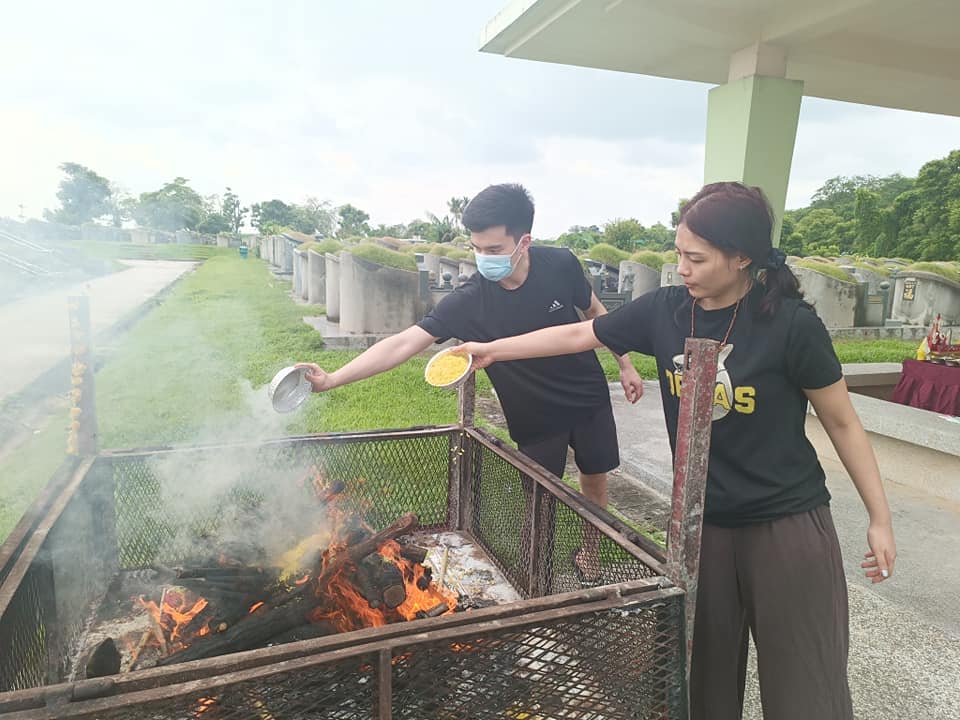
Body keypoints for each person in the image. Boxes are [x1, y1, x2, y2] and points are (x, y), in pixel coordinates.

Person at [456, 181, 897, 720]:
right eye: (677, 254)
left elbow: (843, 423)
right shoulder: (666, 310)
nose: (681, 269)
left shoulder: (790, 325)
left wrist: (879, 516)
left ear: (740, 258)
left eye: (695, 257)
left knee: (806, 683)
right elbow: (577, 335)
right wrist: (489, 351)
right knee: (698, 679)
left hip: (786, 524)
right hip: (699, 525)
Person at [295, 183, 643, 582]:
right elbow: (405, 342)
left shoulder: (561, 264)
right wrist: (333, 378)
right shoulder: (470, 299)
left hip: (587, 395)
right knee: (539, 497)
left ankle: (591, 555)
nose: (483, 259)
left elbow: (594, 312)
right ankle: (537, 571)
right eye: (476, 248)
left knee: (594, 478)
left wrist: (625, 363)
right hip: (532, 410)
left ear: (523, 241)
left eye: (493, 250)